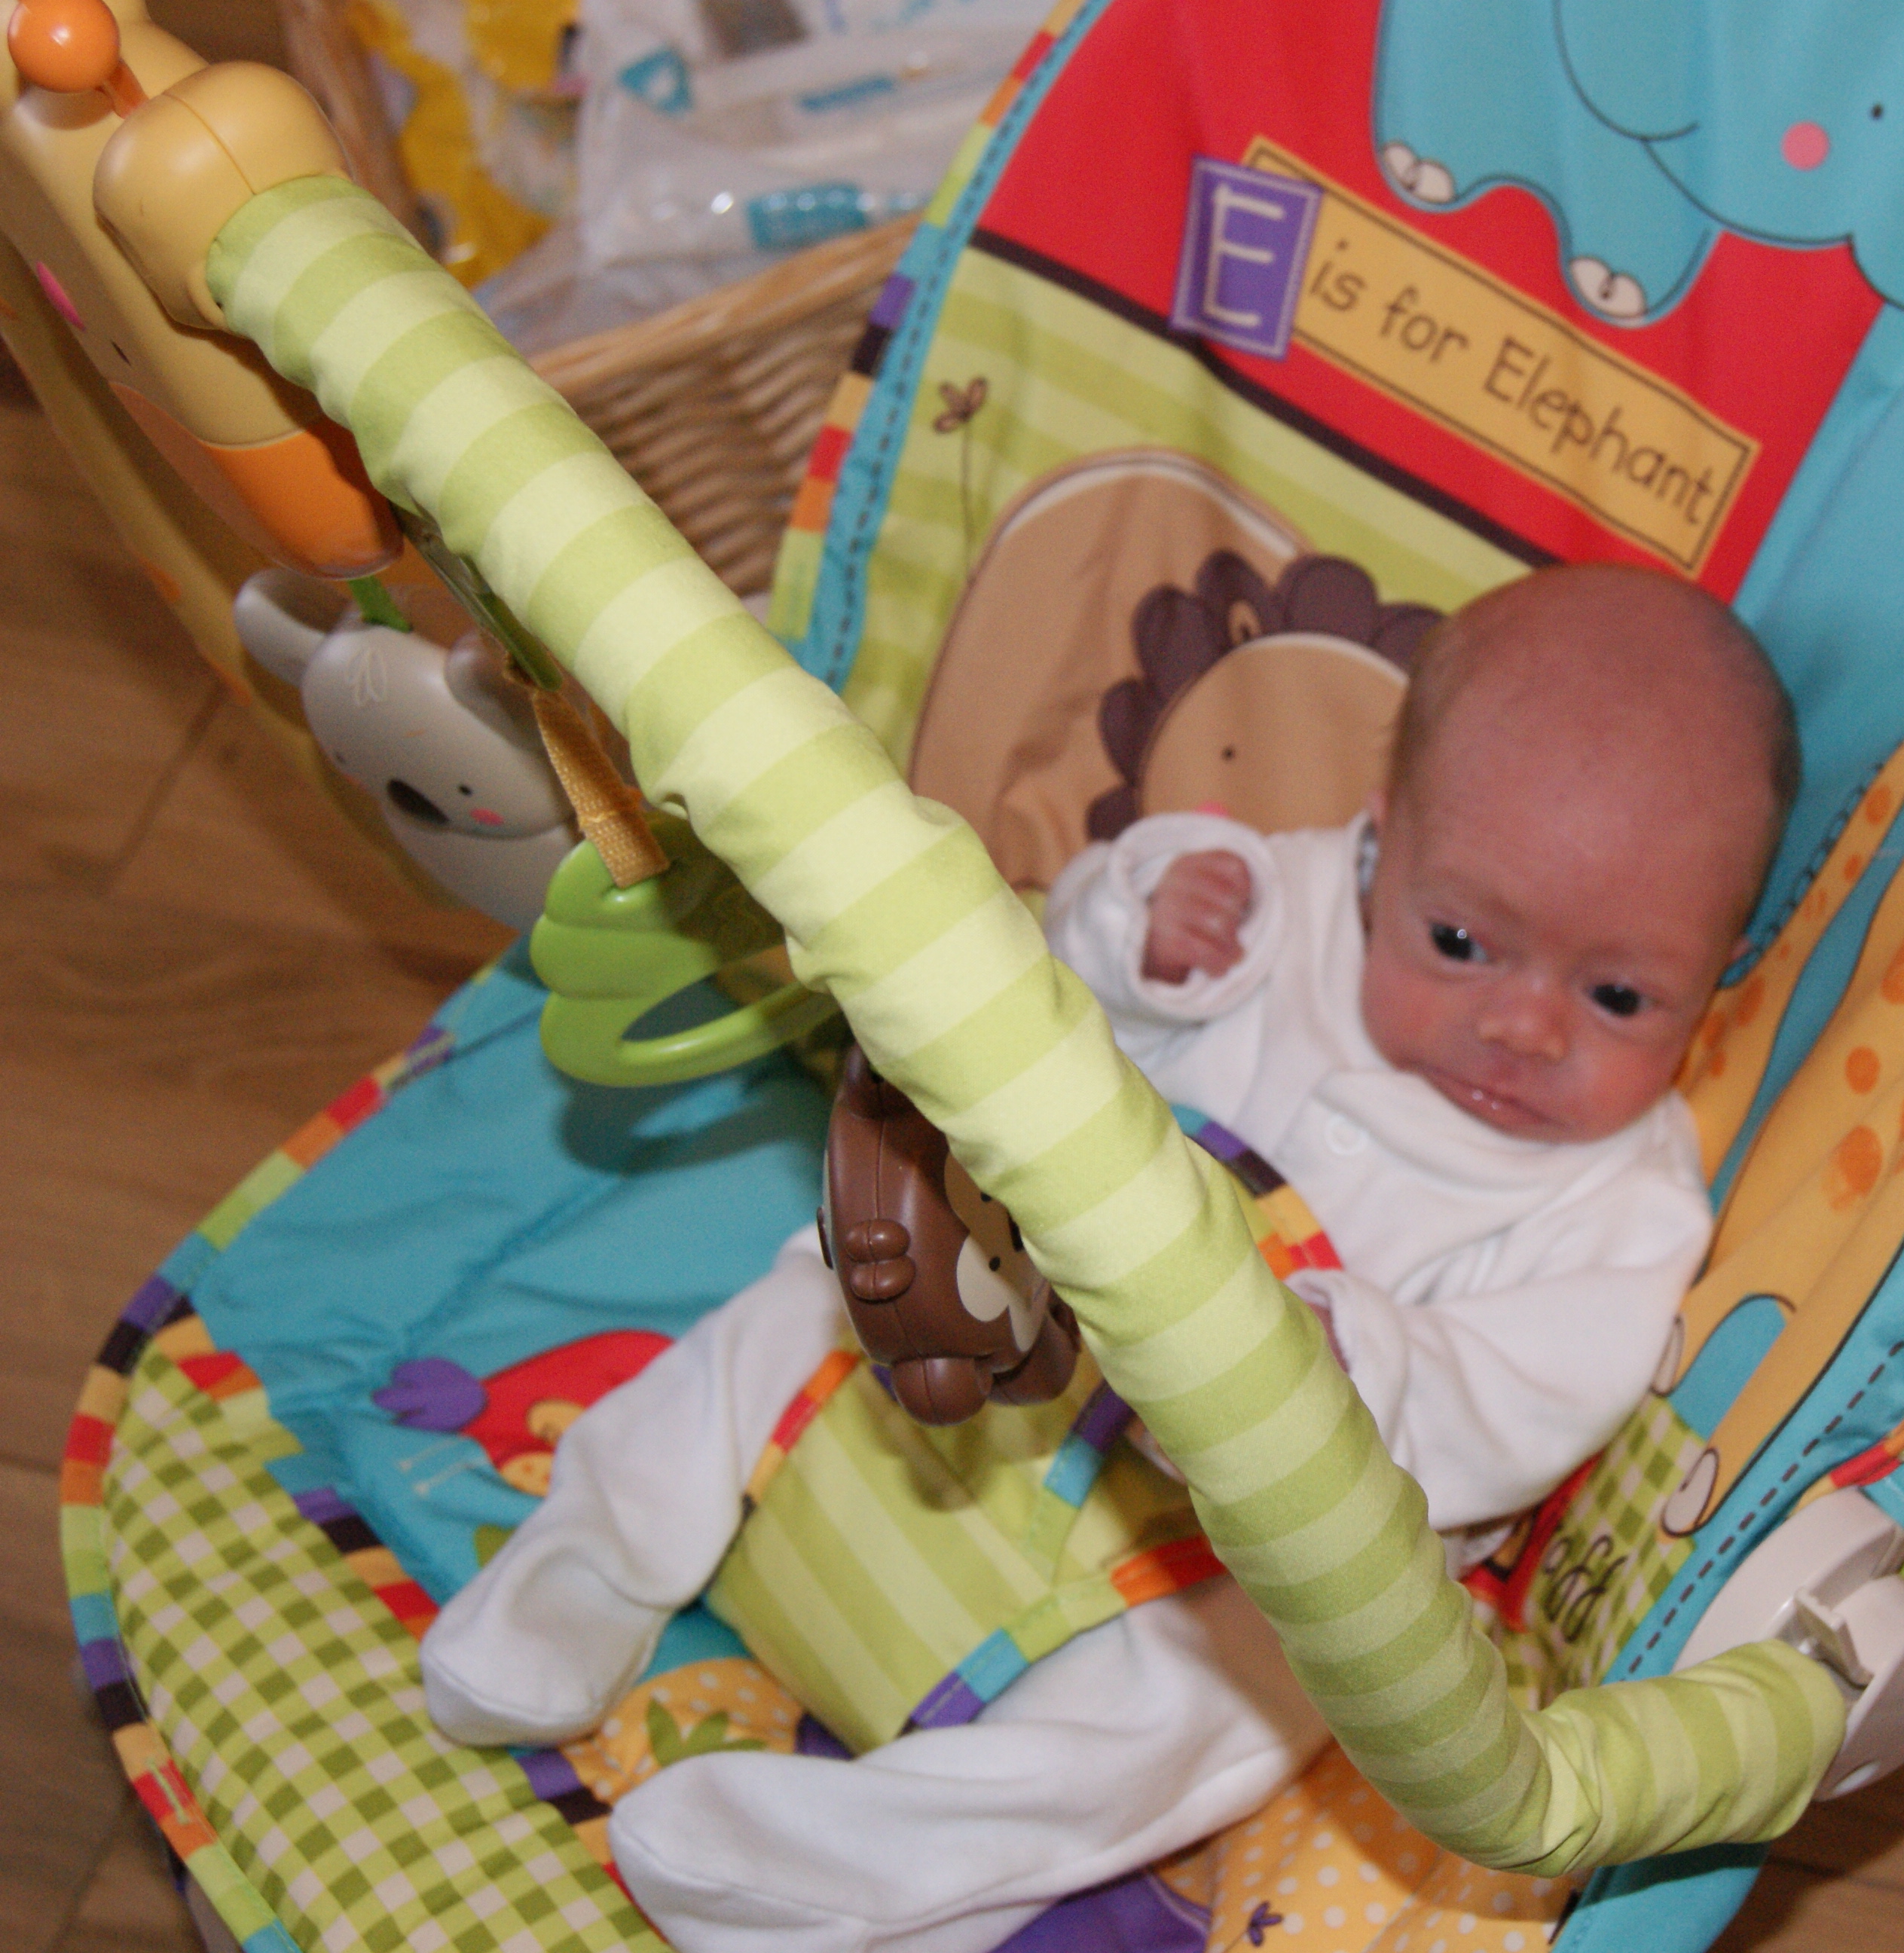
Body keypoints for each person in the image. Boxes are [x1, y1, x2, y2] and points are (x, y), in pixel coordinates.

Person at [418, 564, 1800, 1953]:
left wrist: (1352, 1370)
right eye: (1461, 940)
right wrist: (1131, 934)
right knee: (798, 1303)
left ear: (1721, 972)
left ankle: (859, 1866)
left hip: (1250, 1541)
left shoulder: (1626, 1207)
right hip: (1013, 1325)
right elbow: (1041, 1017)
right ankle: (589, 1566)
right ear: (1384, 843)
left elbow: (1534, 1395)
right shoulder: (1265, 905)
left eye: (1619, 994)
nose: (1526, 1025)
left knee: (1250, 1694)